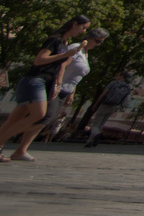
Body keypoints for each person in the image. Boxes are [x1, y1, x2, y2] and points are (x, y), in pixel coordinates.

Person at [0, 16, 91, 161]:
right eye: (83, 27)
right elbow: (39, 60)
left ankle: (7, 148)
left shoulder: (64, 42)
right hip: (36, 79)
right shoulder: (55, 40)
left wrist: (57, 82)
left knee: (14, 119)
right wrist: (65, 55)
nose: (83, 31)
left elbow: (57, 66)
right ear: (74, 24)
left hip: (44, 81)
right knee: (39, 115)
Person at [15, 27, 107, 158]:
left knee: (45, 120)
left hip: (66, 90)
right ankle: (8, 135)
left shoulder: (85, 53)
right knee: (44, 118)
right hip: (57, 88)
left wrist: (72, 92)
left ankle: (21, 149)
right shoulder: (76, 48)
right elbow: (62, 65)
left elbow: (75, 75)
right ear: (89, 37)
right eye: (97, 41)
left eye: (101, 42)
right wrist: (58, 84)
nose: (98, 45)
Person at [83, 69, 134, 148]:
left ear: (121, 76)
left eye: (117, 75)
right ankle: (90, 141)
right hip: (114, 106)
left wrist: (96, 104)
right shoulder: (127, 87)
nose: (116, 76)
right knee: (102, 123)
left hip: (105, 104)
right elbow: (126, 99)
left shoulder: (113, 83)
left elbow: (103, 94)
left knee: (96, 123)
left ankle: (96, 134)